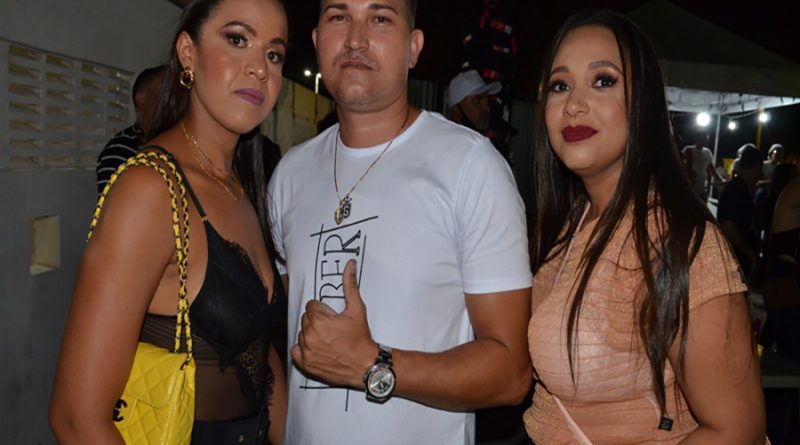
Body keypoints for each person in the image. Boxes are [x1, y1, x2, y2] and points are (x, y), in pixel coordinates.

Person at [267, 0, 533, 444]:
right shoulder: (289, 175)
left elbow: (511, 373)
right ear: (316, 41)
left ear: (413, 48)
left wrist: (372, 364)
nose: (355, 39)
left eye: (380, 19)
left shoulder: (470, 167)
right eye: (339, 17)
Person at [50, 0, 288, 443]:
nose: (260, 68)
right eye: (237, 39)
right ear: (188, 52)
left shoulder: (238, 184)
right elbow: (76, 420)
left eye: (274, 54)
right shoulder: (151, 189)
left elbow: (254, 349)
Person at [526, 10, 765, 444]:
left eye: (603, 80)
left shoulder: (677, 240)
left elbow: (737, 430)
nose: (574, 104)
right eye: (560, 85)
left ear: (645, 103)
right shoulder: (572, 225)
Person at [95, 65, 166, 194]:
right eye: (164, 94)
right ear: (141, 100)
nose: (172, 101)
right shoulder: (121, 148)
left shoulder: (176, 142)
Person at [718, 145, 764, 282]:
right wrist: (748, 252)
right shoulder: (736, 190)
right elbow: (729, 225)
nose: (760, 175)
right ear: (755, 167)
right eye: (759, 170)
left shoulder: (740, 188)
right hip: (735, 257)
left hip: (738, 255)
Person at [681, 131, 723, 201]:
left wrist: (721, 180)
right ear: (697, 138)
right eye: (704, 138)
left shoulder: (708, 152)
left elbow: (712, 169)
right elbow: (680, 164)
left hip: (702, 189)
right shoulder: (688, 149)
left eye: (707, 139)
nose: (706, 141)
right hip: (690, 187)